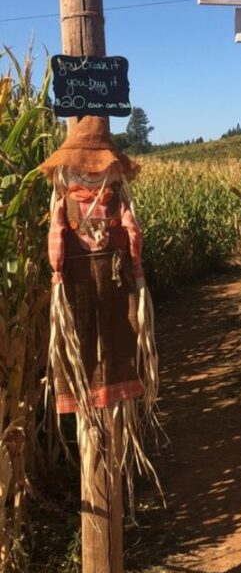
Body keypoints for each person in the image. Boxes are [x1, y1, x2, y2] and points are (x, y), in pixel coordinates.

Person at [39, 116, 159, 499]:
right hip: (100, 282)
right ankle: (101, 442)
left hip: (92, 283)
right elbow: (130, 232)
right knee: (104, 340)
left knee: (103, 344)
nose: (92, 174)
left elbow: (60, 235)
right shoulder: (96, 192)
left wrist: (59, 276)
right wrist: (135, 268)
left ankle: (107, 440)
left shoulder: (76, 191)